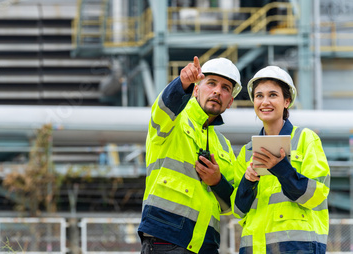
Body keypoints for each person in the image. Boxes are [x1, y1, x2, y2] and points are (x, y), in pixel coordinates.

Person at [138, 56, 242, 253]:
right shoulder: (174, 118)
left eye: (225, 88)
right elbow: (163, 108)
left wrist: (217, 181)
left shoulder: (224, 146)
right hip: (166, 238)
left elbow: (231, 206)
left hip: (206, 244)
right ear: (196, 89)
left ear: (230, 102)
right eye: (211, 83)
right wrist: (182, 83)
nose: (217, 91)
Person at [232, 66, 330, 254]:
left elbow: (317, 195)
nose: (265, 101)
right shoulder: (246, 151)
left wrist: (282, 169)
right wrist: (248, 181)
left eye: (273, 95)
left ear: (287, 101)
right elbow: (238, 209)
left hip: (296, 247)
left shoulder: (305, 139)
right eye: (259, 96)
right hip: (254, 248)